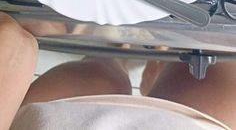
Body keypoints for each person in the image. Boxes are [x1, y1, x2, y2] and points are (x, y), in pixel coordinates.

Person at [0, 12, 234, 130]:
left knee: (100, 74)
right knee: (210, 59)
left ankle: (115, 50)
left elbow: (12, 41)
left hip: (67, 118)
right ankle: (137, 58)